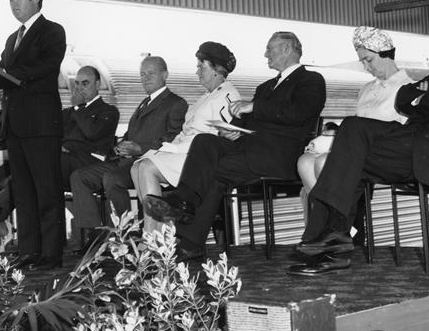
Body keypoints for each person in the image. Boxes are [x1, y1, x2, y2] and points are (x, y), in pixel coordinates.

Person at [289, 0, 429, 276]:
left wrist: (424, 96)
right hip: (423, 138)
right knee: (353, 134)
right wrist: (424, 96)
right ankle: (331, 241)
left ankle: (328, 241)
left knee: (354, 143)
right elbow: (406, 96)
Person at [143, 32, 327, 261]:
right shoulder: (265, 87)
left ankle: (188, 230)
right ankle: (185, 206)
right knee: (205, 142)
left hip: (281, 155)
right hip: (251, 150)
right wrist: (232, 130)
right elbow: (245, 122)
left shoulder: (311, 80)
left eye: (270, 48)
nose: (265, 54)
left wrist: (254, 107)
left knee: (214, 170)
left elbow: (299, 113)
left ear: (288, 49)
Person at [0, 0, 66, 271]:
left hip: (42, 124)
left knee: (46, 190)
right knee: (25, 192)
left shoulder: (52, 31)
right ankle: (29, 250)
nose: (12, 2)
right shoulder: (11, 39)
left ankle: (51, 253)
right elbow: (3, 67)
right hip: (16, 125)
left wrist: (8, 74)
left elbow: (46, 66)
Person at [296, 26, 415, 225]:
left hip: (383, 154)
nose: (366, 68)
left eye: (368, 60)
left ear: (386, 54)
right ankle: (325, 225)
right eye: (362, 62)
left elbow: (404, 133)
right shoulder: (366, 89)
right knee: (305, 162)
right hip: (356, 149)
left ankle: (341, 228)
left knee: (324, 162)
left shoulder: (408, 88)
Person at [69, 55, 188, 252]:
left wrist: (140, 148)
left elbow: (173, 137)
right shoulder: (144, 104)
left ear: (165, 75)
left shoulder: (176, 103)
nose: (145, 78)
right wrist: (120, 146)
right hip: (125, 160)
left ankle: (125, 234)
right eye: (142, 74)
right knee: (81, 176)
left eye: (151, 73)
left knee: (111, 179)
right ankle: (97, 232)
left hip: (148, 161)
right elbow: (130, 134)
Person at [132, 42, 240, 234]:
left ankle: (150, 235)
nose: (197, 72)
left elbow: (222, 135)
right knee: (137, 166)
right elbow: (185, 132)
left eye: (201, 66)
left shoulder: (228, 95)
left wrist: (172, 149)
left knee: (147, 167)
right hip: (182, 151)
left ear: (216, 69)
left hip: (199, 158)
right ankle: (161, 234)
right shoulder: (205, 97)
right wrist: (168, 147)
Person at [60, 66, 120, 190]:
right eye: (77, 83)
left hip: (89, 162)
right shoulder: (67, 113)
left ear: (97, 85)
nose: (79, 88)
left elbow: (92, 132)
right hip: (65, 160)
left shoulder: (108, 111)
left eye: (85, 83)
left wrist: (78, 107)